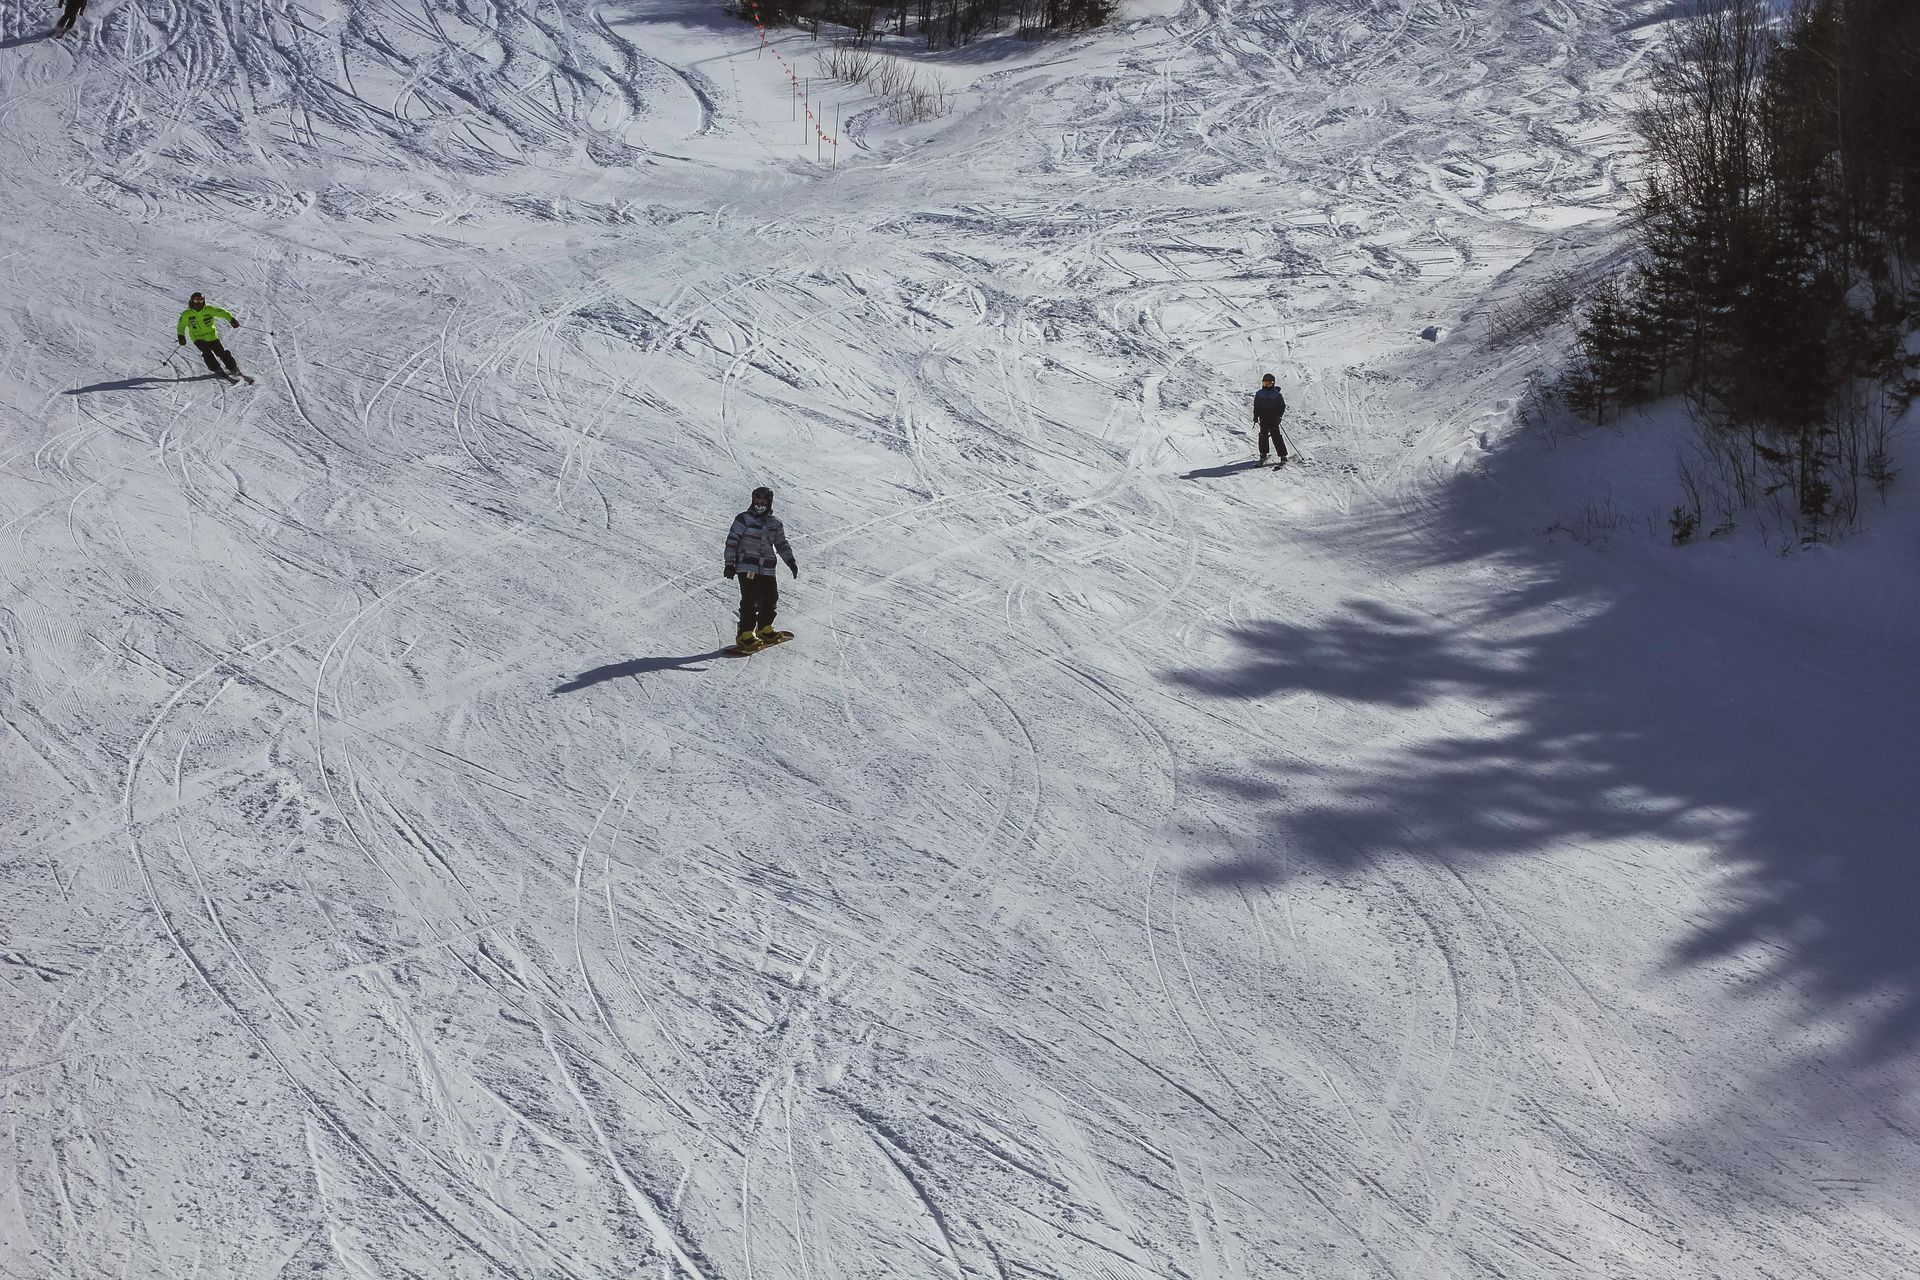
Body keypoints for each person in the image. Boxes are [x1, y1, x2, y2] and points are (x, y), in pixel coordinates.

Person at [723, 486, 798, 650]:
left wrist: (790, 561)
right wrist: (729, 563)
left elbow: (781, 543)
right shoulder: (743, 519)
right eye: (757, 500)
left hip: (767, 569)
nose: (759, 503)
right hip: (747, 566)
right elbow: (732, 541)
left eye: (763, 500)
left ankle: (765, 628)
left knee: (771, 597)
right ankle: (745, 634)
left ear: (769, 502)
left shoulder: (775, 523)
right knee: (751, 599)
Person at [176, 293, 246, 381]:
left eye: (201, 300)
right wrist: (181, 336)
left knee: (221, 352)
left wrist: (231, 320)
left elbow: (222, 313)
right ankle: (216, 368)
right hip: (198, 337)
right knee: (207, 352)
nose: (199, 302)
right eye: (196, 300)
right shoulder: (186, 314)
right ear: (192, 301)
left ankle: (232, 367)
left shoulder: (209, 310)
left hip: (212, 336)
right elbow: (181, 326)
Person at [1252, 372, 1288, 465]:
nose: (1267, 385)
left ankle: (1283, 455)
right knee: (1263, 436)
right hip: (1263, 418)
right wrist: (1256, 417)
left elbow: (1282, 406)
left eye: (1269, 383)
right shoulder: (1260, 393)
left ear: (1273, 383)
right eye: (1265, 383)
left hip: (1273, 419)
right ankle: (1263, 454)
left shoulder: (1276, 394)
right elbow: (1256, 406)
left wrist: (1279, 416)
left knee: (1276, 436)